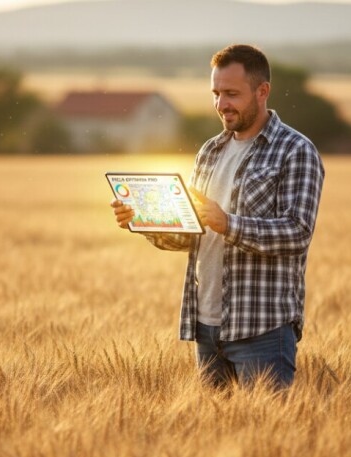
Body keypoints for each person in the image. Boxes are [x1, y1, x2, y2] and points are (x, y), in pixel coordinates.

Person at [109, 44, 324, 390]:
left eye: (232, 94)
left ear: (262, 91)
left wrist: (229, 224)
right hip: (205, 327)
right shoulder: (210, 150)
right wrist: (144, 222)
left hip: (262, 329)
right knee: (212, 439)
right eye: (216, 93)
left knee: (267, 439)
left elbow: (297, 232)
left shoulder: (296, 151)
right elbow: (191, 234)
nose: (222, 104)